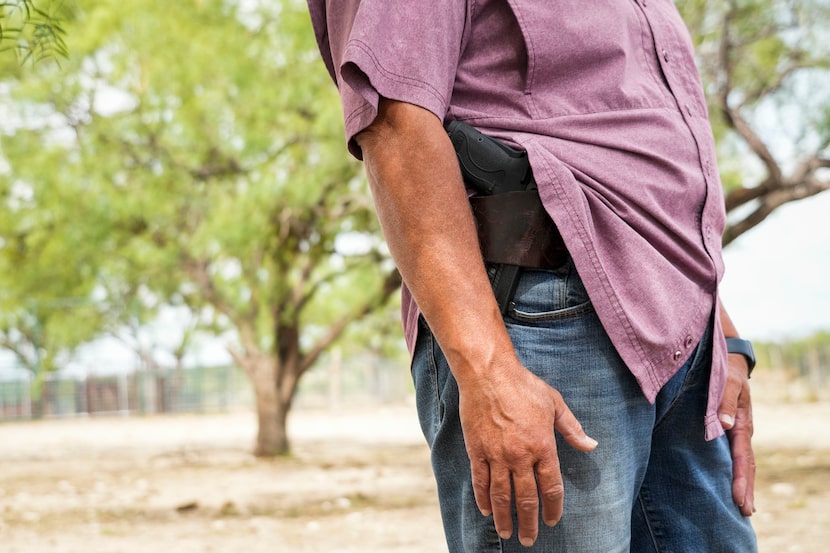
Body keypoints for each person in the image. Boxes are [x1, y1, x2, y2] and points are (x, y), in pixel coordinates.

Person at [306, 1, 758, 551]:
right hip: (544, 325)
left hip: (684, 333)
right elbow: (397, 124)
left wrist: (720, 327)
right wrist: (489, 372)